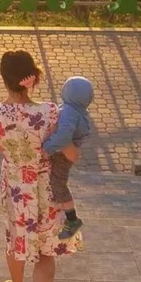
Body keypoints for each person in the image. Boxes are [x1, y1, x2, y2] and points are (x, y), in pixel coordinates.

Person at [0, 50, 83, 282]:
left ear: (5, 79)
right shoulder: (49, 111)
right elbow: (62, 147)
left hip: (16, 185)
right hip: (46, 185)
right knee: (46, 250)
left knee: (16, 239)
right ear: (32, 78)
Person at [42, 76, 93, 240]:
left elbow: (63, 136)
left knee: (58, 183)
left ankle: (72, 219)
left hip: (62, 155)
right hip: (66, 153)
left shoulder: (69, 112)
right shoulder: (78, 111)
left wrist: (47, 148)